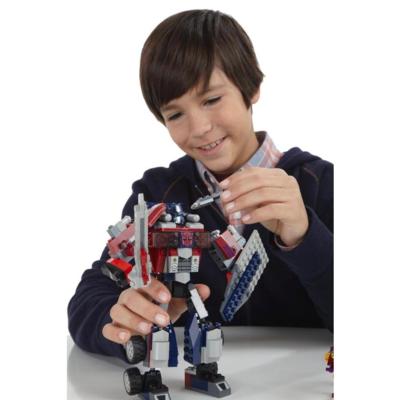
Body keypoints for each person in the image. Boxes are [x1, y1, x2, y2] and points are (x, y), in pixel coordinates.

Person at [68, 9, 333, 362]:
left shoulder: (320, 185)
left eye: (211, 100)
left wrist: (305, 237)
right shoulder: (158, 193)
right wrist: (123, 322)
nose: (199, 129)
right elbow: (93, 295)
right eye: (175, 114)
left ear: (251, 87)